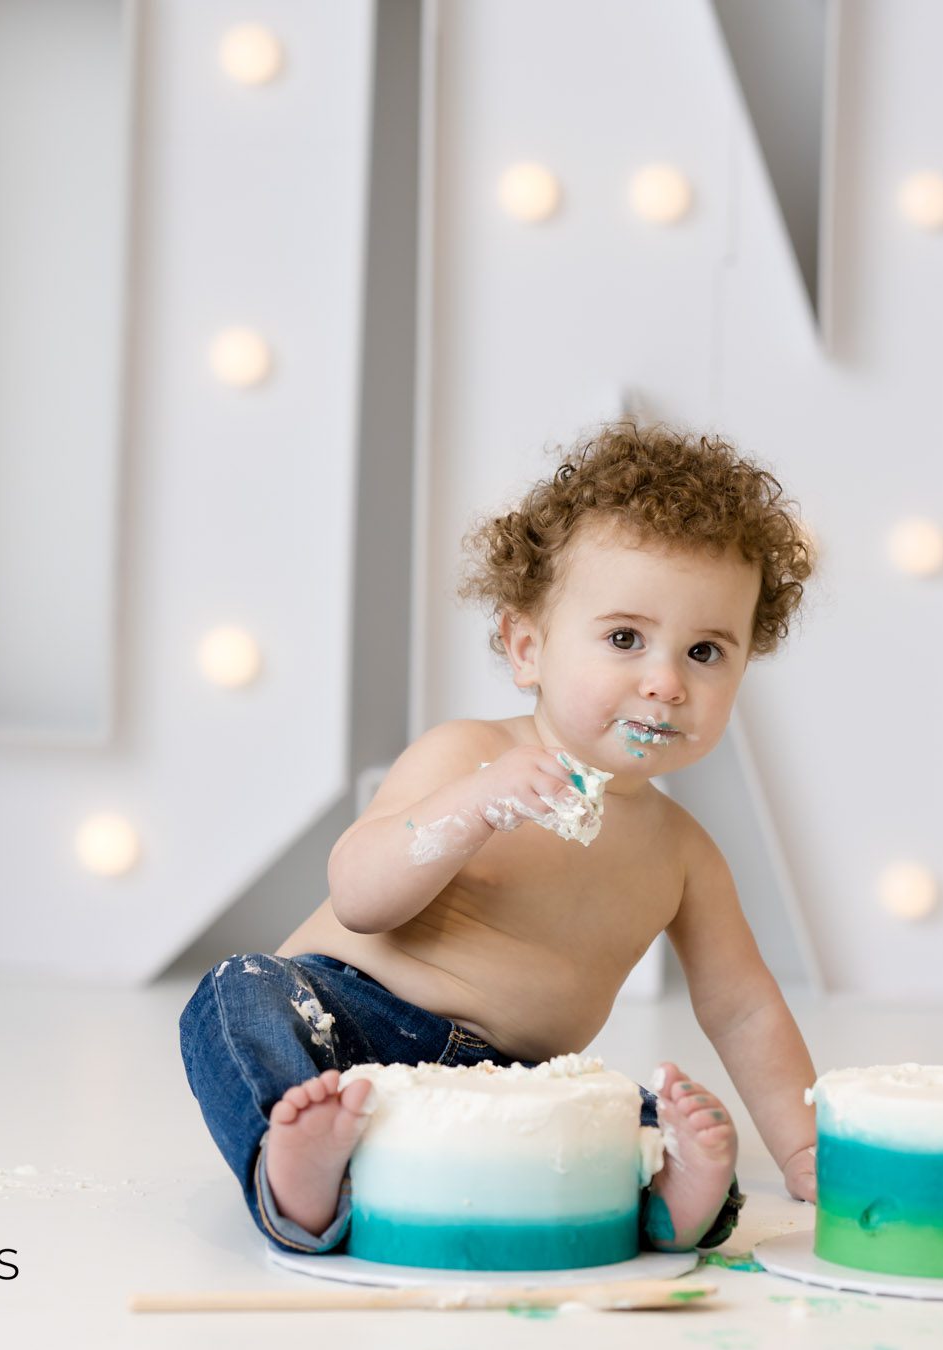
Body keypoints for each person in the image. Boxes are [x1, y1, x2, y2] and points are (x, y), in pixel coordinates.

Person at [179, 421, 822, 1255]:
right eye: (625, 638)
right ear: (528, 648)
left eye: (705, 651)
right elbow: (360, 897)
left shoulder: (684, 853)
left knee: (639, 1115)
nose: (665, 681)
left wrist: (806, 1148)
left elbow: (742, 1008)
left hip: (513, 1084)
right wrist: (472, 807)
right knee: (236, 992)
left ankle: (676, 1201)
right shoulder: (468, 756)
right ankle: (296, 1170)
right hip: (342, 1025)